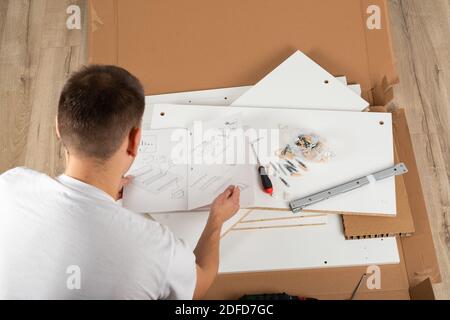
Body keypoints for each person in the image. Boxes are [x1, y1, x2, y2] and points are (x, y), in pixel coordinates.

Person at [0, 65, 240, 299]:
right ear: (135, 140)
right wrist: (216, 220)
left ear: (58, 128)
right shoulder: (155, 247)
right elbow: (200, 283)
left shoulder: (10, 186)